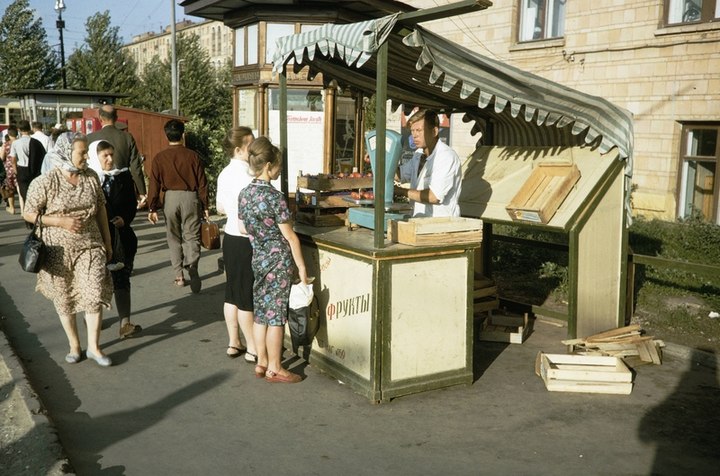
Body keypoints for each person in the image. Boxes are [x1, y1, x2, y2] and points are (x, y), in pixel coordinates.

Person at [22, 132, 114, 367]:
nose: (86, 157)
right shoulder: (45, 181)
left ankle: (94, 347)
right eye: (81, 153)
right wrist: (60, 221)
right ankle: (74, 345)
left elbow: (101, 209)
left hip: (90, 245)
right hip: (56, 250)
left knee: (93, 292)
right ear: (66, 153)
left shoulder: (91, 177)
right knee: (64, 298)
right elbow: (29, 213)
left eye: (85, 152)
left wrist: (108, 241)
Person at [238, 137, 308, 383]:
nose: (279, 169)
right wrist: (301, 267)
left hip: (258, 257)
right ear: (268, 166)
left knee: (261, 313)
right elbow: (290, 237)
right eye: (278, 165)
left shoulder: (245, 194)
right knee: (276, 316)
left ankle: (262, 362)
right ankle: (276, 367)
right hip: (278, 261)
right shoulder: (275, 197)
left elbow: (243, 227)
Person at [146, 119, 209, 293]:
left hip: (170, 199)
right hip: (191, 197)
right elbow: (202, 182)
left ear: (166, 136)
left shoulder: (160, 157)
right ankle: (193, 264)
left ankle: (179, 275)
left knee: (173, 237)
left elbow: (154, 184)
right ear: (183, 134)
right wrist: (205, 205)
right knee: (192, 236)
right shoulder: (193, 156)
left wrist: (152, 207)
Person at [88, 140, 142, 339]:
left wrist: (125, 219)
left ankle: (125, 324)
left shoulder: (123, 176)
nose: (110, 159)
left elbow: (131, 203)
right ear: (96, 157)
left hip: (121, 238)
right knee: (97, 282)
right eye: (105, 156)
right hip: (96, 240)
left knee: (122, 279)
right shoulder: (88, 180)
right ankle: (93, 318)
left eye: (112, 154)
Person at [216, 127, 257, 361]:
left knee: (231, 292)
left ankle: (234, 342)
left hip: (229, 237)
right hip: (245, 239)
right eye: (250, 144)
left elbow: (220, 207)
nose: (253, 148)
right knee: (245, 296)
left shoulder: (224, 173)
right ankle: (253, 347)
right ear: (239, 149)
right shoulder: (248, 174)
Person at [394, 110, 462, 217]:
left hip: (440, 225)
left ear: (434, 131)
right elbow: (399, 175)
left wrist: (401, 191)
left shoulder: (446, 157)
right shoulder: (418, 154)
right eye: (412, 131)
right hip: (419, 221)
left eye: (419, 130)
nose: (414, 135)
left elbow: (434, 196)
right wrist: (380, 160)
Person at [87, 105, 147, 207]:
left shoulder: (90, 138)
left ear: (100, 118)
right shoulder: (127, 137)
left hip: (97, 186)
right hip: (123, 186)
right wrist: (141, 192)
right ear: (116, 118)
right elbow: (135, 167)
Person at [10, 120, 46, 213]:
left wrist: (15, 170)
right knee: (35, 192)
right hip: (34, 170)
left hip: (21, 170)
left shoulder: (15, 143)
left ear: (19, 130)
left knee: (24, 194)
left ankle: (28, 214)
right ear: (29, 128)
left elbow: (13, 159)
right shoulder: (36, 142)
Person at [1, 127, 18, 214]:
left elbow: (2, 157)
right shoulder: (20, 143)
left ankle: (12, 207)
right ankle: (23, 208)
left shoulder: (6, 144)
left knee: (10, 189)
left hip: (8, 169)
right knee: (19, 188)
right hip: (20, 167)